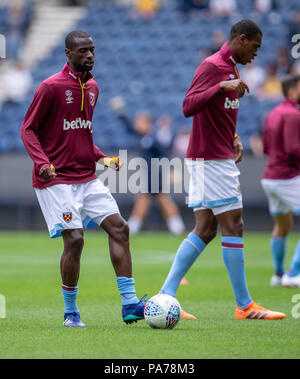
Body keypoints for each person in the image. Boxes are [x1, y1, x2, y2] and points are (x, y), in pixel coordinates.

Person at [159, 19, 286, 320]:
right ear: (241, 40)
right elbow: (188, 106)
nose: (256, 53)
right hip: (211, 160)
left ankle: (165, 295)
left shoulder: (232, 68)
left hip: (215, 154)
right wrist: (219, 86)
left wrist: (235, 137)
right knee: (235, 225)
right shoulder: (213, 67)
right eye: (254, 47)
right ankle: (245, 305)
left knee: (205, 229)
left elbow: (220, 113)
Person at [21, 30, 146, 328]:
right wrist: (42, 163)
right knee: (75, 239)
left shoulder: (92, 88)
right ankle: (71, 313)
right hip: (56, 179)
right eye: (83, 51)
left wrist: (100, 156)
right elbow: (28, 129)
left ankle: (129, 305)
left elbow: (79, 132)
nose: (89, 55)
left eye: (92, 50)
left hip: (86, 177)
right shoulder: (50, 87)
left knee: (120, 228)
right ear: (68, 54)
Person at [110, 97, 185, 236]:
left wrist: (166, 132)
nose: (137, 124)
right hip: (150, 174)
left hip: (155, 174)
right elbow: (129, 126)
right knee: (160, 199)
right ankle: (176, 226)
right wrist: (120, 113)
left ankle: (133, 227)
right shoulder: (143, 137)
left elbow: (164, 151)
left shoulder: (152, 138)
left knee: (145, 199)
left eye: (140, 122)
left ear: (147, 124)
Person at [261, 74, 300, 288]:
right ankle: (293, 273)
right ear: (293, 90)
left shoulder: (274, 113)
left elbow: (266, 147)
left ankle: (278, 274)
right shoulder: (293, 114)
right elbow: (294, 149)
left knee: (282, 226)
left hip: (270, 178)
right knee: (283, 225)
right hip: (287, 177)